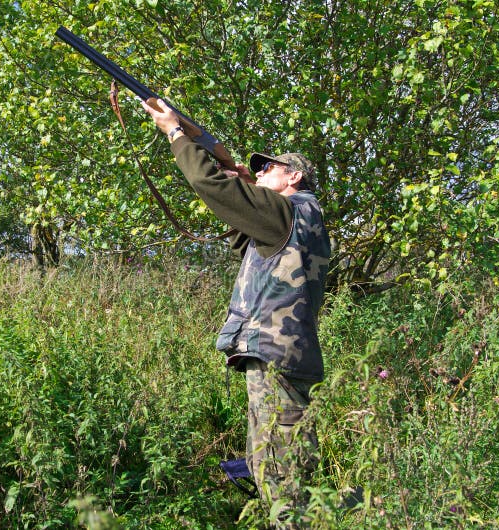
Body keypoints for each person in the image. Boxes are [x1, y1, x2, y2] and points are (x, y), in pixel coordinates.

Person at [142, 99, 332, 524]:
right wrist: (245, 183)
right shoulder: (301, 216)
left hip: (276, 360)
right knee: (274, 467)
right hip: (284, 357)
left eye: (269, 168)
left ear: (294, 177)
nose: (259, 172)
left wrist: (175, 132)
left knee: (283, 478)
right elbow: (249, 241)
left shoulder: (288, 209)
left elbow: (211, 187)